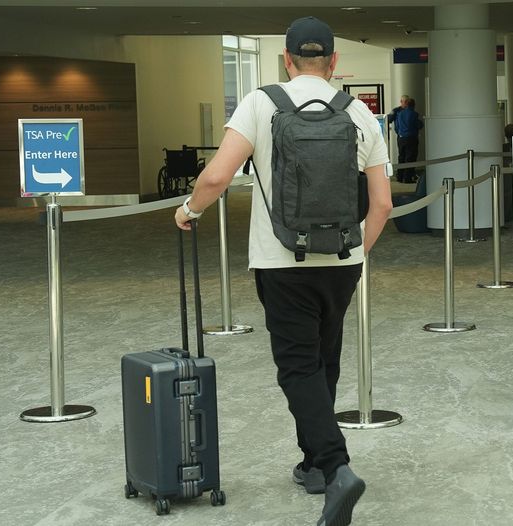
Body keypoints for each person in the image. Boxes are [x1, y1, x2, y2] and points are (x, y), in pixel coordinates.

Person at [174, 16, 392, 526]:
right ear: (334, 62)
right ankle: (315, 465)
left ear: (287, 61)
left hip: (280, 259)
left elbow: (217, 175)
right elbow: (380, 205)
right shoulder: (359, 113)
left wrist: (189, 210)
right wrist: (357, 252)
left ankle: (336, 468)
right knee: (325, 360)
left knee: (298, 366)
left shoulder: (260, 102)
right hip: (342, 261)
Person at [395, 98, 424, 183]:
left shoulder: (399, 114)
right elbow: (419, 125)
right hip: (411, 138)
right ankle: (407, 178)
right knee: (410, 158)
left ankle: (400, 176)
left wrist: (400, 133)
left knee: (401, 157)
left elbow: (396, 126)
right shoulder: (414, 114)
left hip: (401, 138)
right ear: (413, 105)